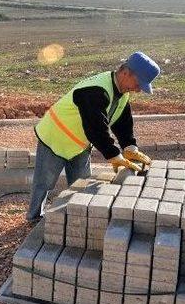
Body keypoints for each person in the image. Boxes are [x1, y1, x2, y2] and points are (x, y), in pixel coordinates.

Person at [26, 51, 160, 222]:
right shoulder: (95, 90)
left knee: (82, 183)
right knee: (44, 182)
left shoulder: (122, 93)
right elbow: (96, 127)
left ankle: (76, 215)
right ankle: (34, 217)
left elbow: (122, 122)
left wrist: (129, 147)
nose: (138, 89)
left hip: (78, 143)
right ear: (125, 72)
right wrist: (113, 154)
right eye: (138, 83)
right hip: (55, 137)